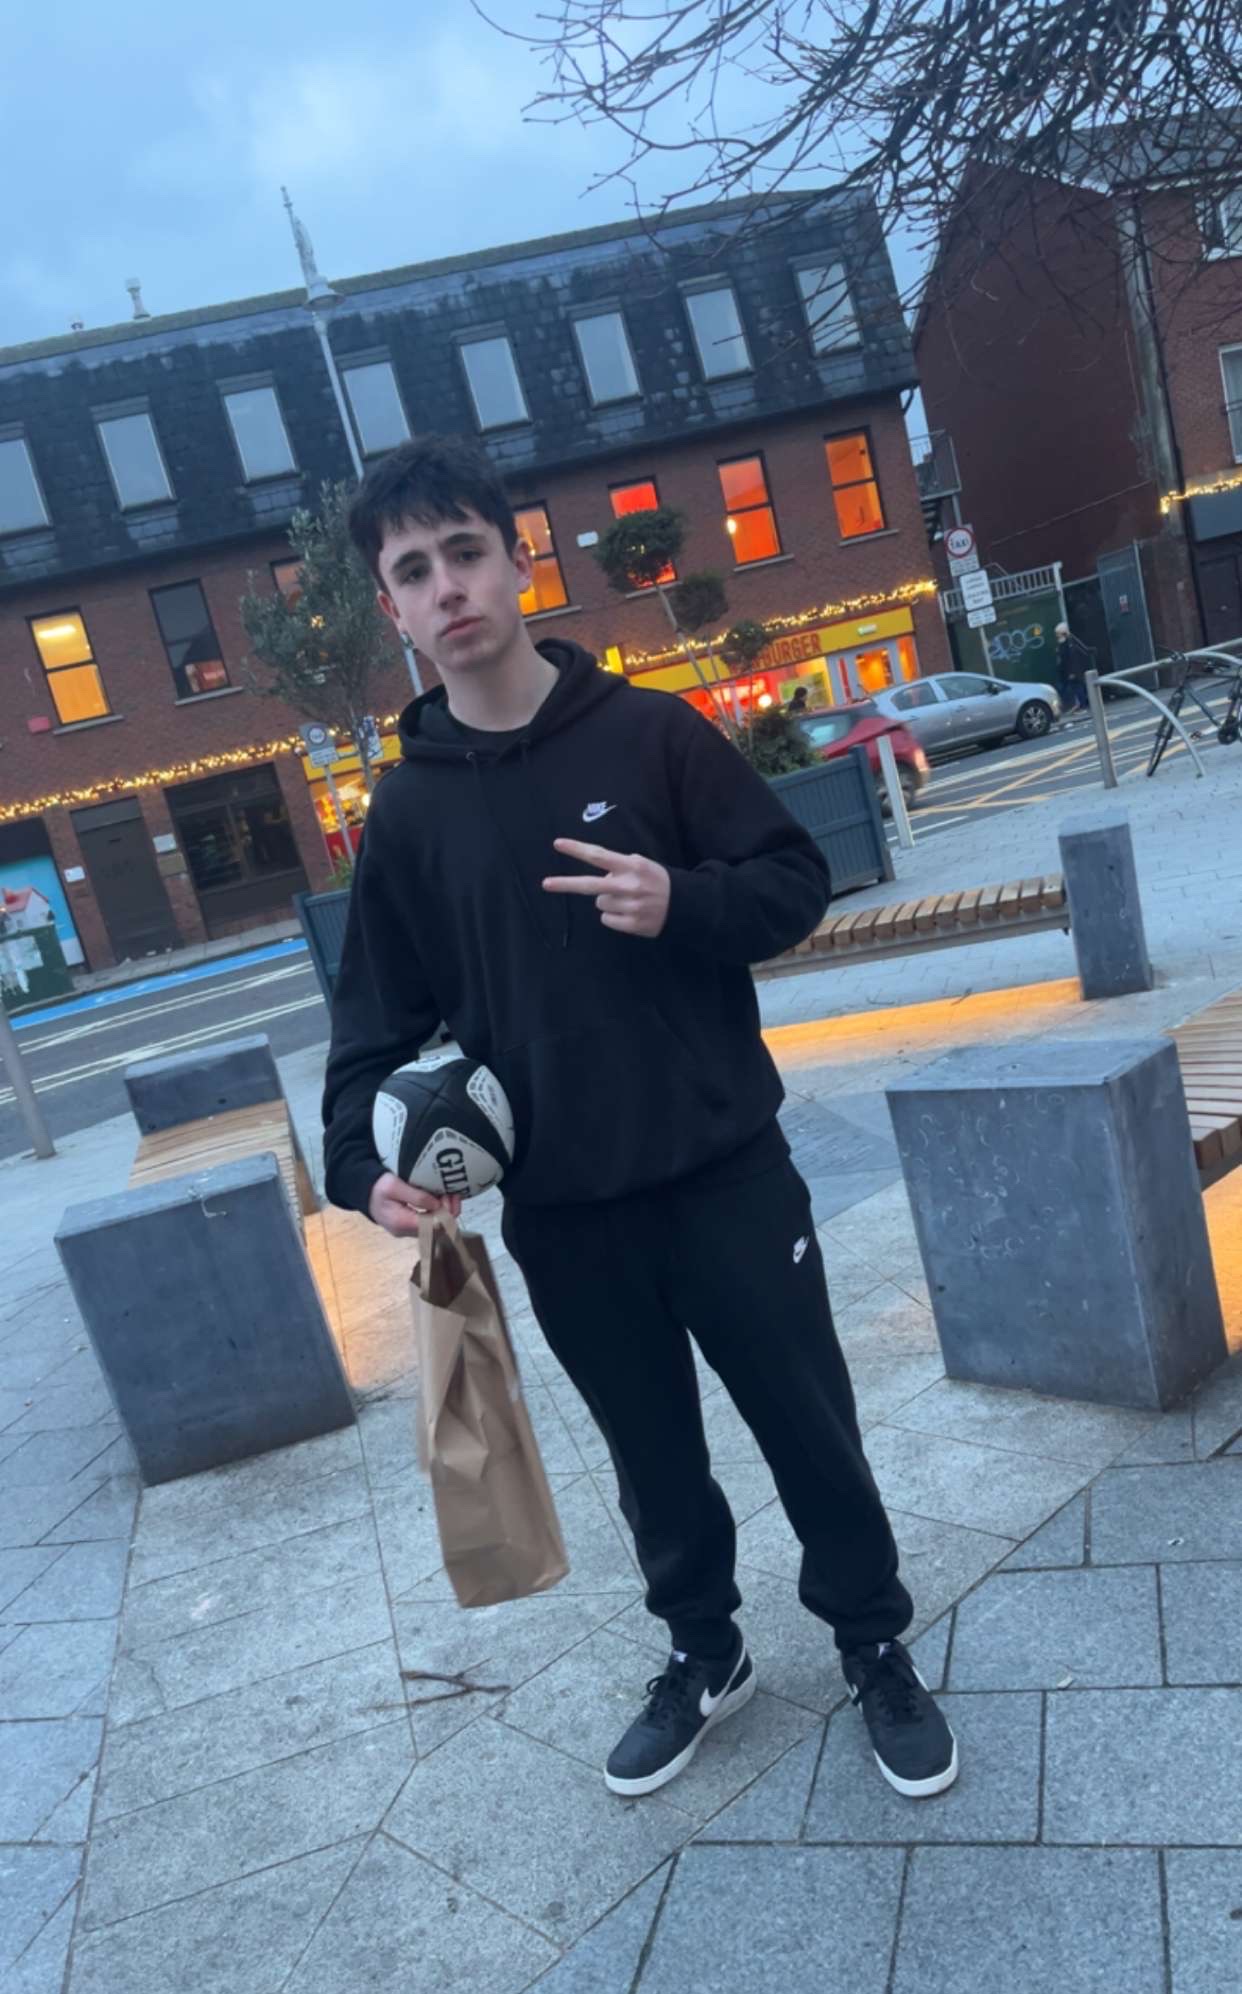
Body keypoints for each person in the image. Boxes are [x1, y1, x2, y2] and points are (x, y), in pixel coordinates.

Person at [323, 434, 958, 1803]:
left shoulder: (650, 735)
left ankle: (870, 1639)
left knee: (810, 1427)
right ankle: (705, 1652)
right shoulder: (406, 817)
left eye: (465, 553)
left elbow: (793, 880)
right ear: (393, 608)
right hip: (566, 1213)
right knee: (651, 1459)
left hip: (726, 1172)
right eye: (414, 572)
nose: (447, 588)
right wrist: (360, 1171)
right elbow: (366, 1036)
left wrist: (684, 903)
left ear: (517, 561)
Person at [1054, 622, 1093, 715]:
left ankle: (1081, 706)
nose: (1057, 636)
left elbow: (1072, 658)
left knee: (1077, 687)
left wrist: (1072, 672)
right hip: (1066, 671)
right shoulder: (1064, 643)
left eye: (1058, 633)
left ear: (1063, 633)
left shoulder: (1069, 643)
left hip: (1072, 671)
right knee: (1073, 688)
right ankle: (1076, 705)